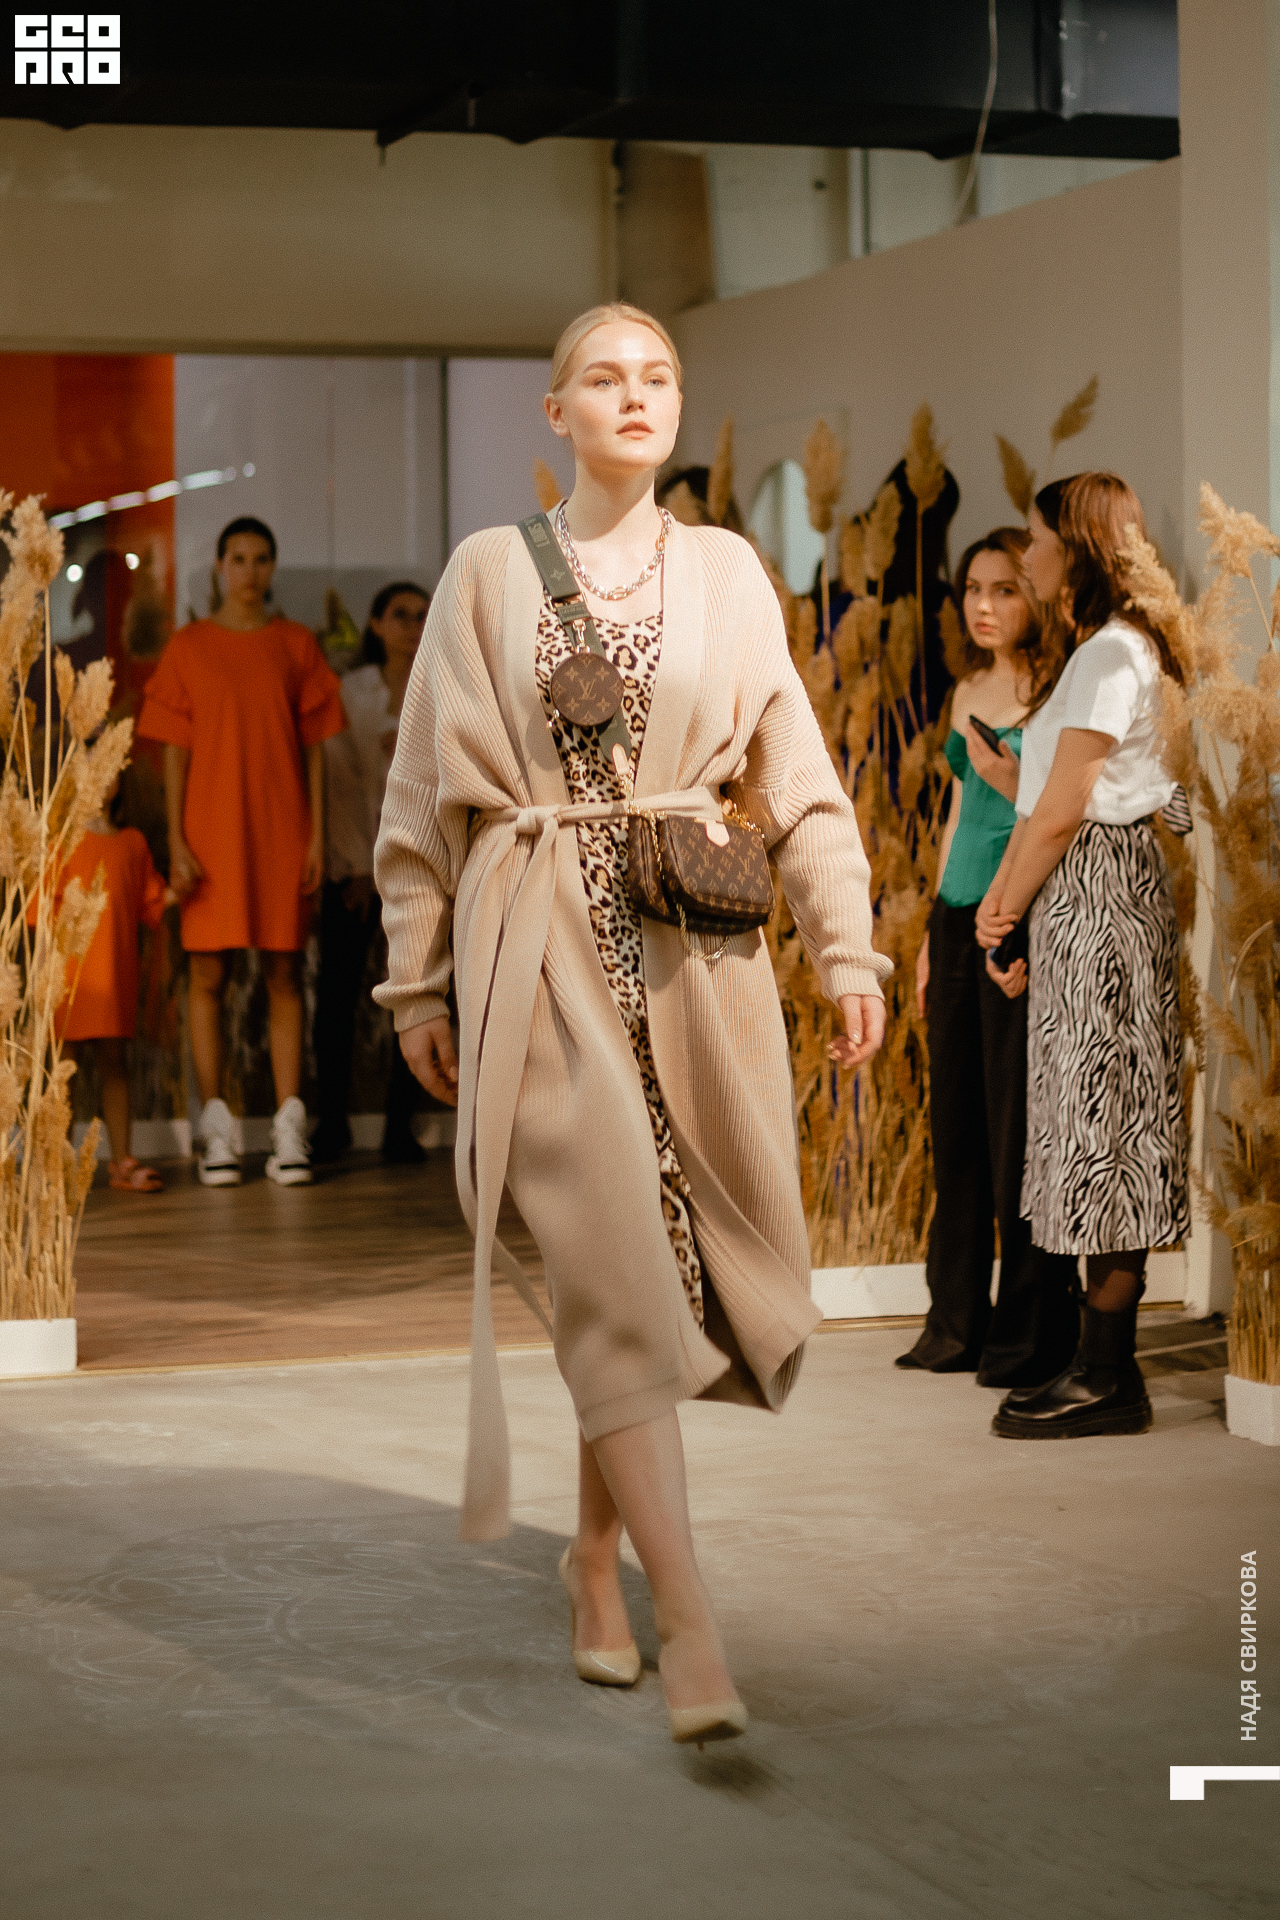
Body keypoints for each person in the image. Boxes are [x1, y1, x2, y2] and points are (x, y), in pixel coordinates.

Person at [374, 302, 890, 1745]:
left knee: (652, 1277)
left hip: (692, 956)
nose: (635, 395)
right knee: (609, 1249)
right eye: (603, 377)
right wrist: (416, 981)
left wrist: (846, 947)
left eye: (658, 375)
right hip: (537, 936)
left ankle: (593, 1557)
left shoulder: (725, 570)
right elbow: (419, 795)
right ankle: (693, 1616)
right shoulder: (488, 571)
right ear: (556, 413)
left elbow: (795, 772)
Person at [975, 472, 1191, 1439]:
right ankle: (1094, 1365)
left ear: (1077, 547)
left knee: (1106, 1123)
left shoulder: (1113, 652)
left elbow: (1066, 809)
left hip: (1101, 888)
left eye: (1036, 538)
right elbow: (1039, 805)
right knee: (1081, 1116)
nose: (1026, 553)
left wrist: (1006, 906)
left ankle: (1110, 1375)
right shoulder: (1098, 650)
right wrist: (1003, 910)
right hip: (1076, 891)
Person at [901, 530, 1079, 1384]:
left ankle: (1026, 1331)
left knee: (1015, 1132)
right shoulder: (969, 686)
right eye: (973, 588)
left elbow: (1050, 811)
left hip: (1017, 915)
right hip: (956, 917)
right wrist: (930, 931)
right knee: (957, 1128)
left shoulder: (1055, 687)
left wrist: (1008, 919)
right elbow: (956, 814)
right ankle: (954, 1322)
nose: (983, 605)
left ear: (1034, 595)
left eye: (1004, 588)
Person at [136, 517, 347, 1188]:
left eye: (261, 559)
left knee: (285, 974)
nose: (250, 571)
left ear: (272, 566)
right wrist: (177, 839)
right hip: (209, 831)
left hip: (282, 828)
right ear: (220, 567)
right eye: (239, 558)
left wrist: (316, 835)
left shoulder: (295, 643)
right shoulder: (189, 646)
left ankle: (289, 1126)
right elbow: (174, 752)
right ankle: (218, 1129)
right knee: (207, 976)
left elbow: (315, 751)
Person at [312, 581, 431, 1164]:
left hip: (424, 868)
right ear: (377, 623)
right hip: (358, 864)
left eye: (423, 615)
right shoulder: (352, 692)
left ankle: (399, 1126)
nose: (412, 626)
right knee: (337, 997)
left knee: (419, 994)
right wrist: (357, 865)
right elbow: (340, 783)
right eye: (400, 615)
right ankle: (331, 1121)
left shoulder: (442, 685)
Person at [52, 771, 172, 1191]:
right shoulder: (63, 839)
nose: (101, 778)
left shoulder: (132, 843)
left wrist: (201, 886)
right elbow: (42, 910)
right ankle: (55, 1166)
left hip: (116, 974)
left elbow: (151, 901)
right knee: (63, 1071)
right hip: (70, 977)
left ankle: (122, 1160)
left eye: (109, 769)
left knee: (116, 1065)